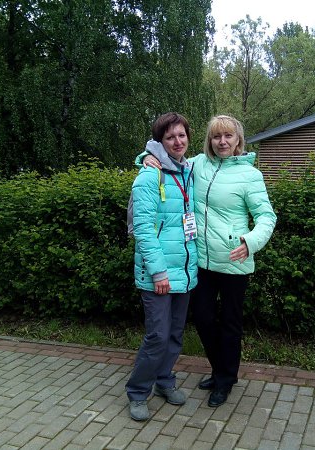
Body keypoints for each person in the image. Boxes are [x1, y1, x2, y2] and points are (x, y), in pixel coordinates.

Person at [140, 115, 276, 408]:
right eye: (216, 137)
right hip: (201, 260)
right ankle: (219, 369)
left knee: (230, 324)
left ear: (238, 140)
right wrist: (145, 158)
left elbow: (267, 217)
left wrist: (250, 242)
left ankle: (225, 379)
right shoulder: (198, 165)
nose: (222, 142)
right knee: (202, 318)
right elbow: (169, 160)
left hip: (234, 261)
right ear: (209, 140)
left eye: (228, 136)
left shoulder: (250, 175)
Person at [125, 112, 198, 421]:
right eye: (170, 137)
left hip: (185, 271)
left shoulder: (189, 171)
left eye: (181, 135)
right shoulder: (148, 176)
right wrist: (158, 272)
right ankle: (138, 392)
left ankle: (165, 380)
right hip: (159, 274)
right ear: (160, 141)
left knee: (175, 335)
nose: (177, 141)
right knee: (157, 336)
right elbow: (142, 230)